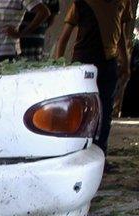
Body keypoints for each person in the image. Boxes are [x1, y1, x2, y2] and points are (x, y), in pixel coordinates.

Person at [55, 0, 130, 151]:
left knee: (105, 109)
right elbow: (63, 37)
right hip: (84, 63)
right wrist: (59, 65)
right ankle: (77, 150)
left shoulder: (123, 2)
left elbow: (119, 32)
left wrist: (125, 61)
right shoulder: (81, 2)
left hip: (108, 61)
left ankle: (100, 151)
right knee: (82, 109)